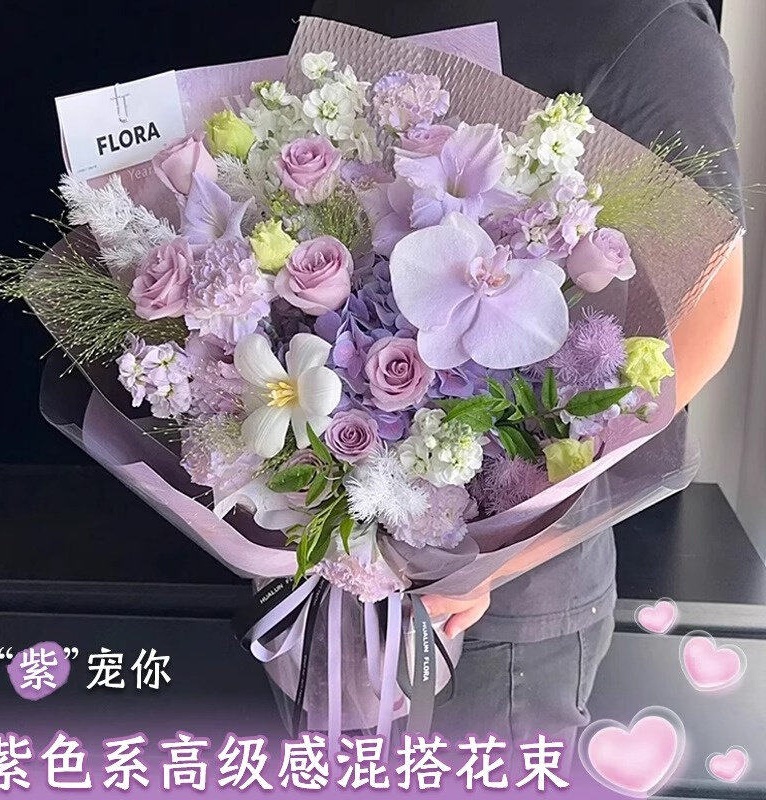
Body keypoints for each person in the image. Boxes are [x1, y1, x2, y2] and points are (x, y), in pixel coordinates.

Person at [311, 0, 744, 750]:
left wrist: (499, 557)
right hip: (335, 556)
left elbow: (706, 320)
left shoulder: (648, 28)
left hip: (501, 601)